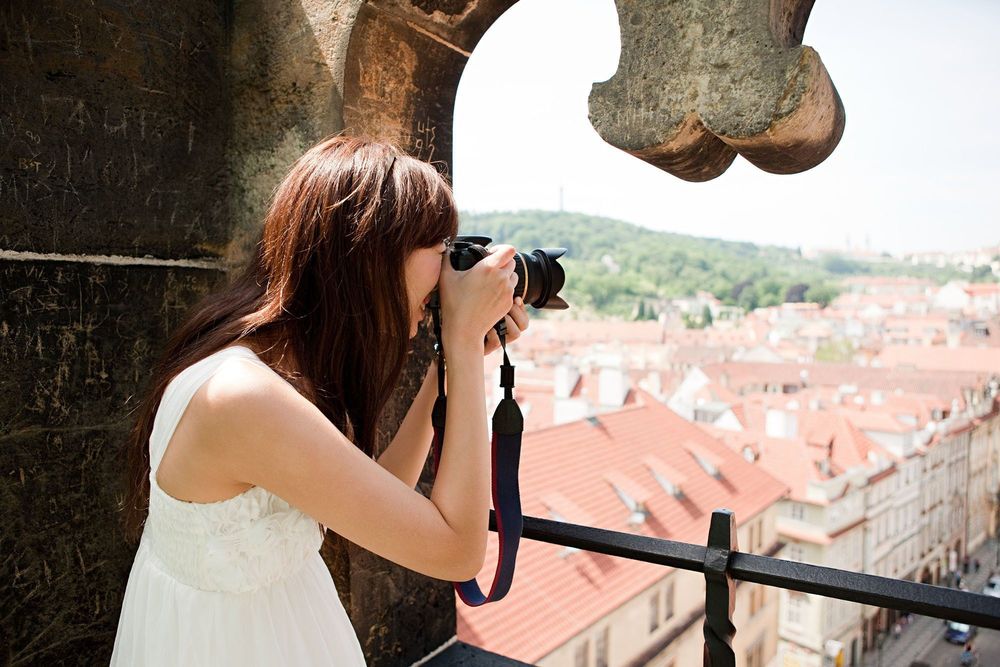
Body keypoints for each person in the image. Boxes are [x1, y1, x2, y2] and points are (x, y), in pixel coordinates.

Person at [110, 135, 529, 665]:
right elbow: (457, 551)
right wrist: (464, 345)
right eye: (442, 249)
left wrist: (446, 366)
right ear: (373, 253)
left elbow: (375, 497)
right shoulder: (241, 398)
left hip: (273, 621)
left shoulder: (275, 360)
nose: (451, 271)